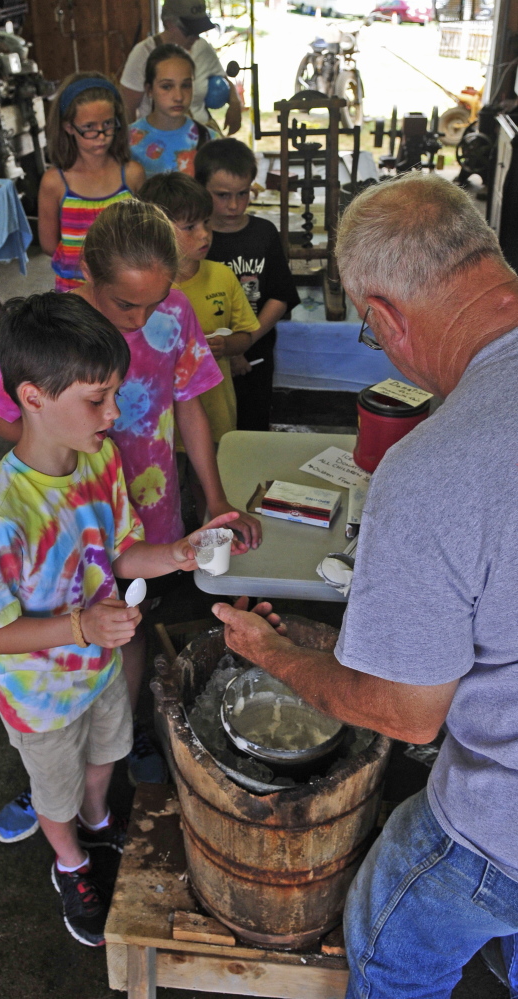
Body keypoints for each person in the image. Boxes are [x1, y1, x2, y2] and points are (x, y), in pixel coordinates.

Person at [211, 173, 518, 997]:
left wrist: (273, 653)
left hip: (505, 827)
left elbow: (402, 710)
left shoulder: (436, 468)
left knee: (390, 933)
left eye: (376, 341)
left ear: (382, 317)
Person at [0, 292, 242, 947]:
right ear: (32, 397)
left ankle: (98, 819)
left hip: (100, 667)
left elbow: (120, 550)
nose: (114, 414)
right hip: (41, 696)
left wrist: (175, 552)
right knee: (53, 793)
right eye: (97, 399)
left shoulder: (99, 460)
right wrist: (82, 627)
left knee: (106, 758)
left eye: (115, 394)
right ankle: (71, 859)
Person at [0, 199, 261, 843]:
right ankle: (51, 774)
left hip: (144, 511)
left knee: (128, 624)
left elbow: (191, 405)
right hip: (65, 520)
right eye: (124, 307)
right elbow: (0, 412)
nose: (140, 320)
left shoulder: (176, 313)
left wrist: (213, 501)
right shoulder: (54, 327)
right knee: (54, 634)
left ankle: (117, 737)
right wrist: (46, 463)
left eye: (153, 304)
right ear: (86, 280)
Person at [140, 172, 260, 458]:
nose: (204, 234)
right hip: (158, 419)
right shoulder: (142, 288)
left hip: (215, 411)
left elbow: (245, 334)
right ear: (156, 229)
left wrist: (227, 347)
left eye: (207, 222)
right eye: (190, 226)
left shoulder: (223, 276)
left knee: (208, 483)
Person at [195, 138, 300, 431]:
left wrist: (244, 344)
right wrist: (229, 351)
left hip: (257, 353)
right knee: (212, 428)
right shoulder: (196, 240)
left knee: (254, 425)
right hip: (206, 357)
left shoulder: (264, 233)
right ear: (201, 189)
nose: (233, 204)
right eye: (222, 195)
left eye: (242, 194)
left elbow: (279, 296)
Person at [38, 71, 145, 292]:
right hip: (73, 296)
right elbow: (49, 245)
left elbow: (145, 236)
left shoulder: (133, 175)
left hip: (125, 292)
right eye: (88, 127)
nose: (101, 135)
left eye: (107, 124)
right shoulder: (54, 183)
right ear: (68, 127)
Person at [119, 0, 241, 134]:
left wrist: (235, 102)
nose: (196, 37)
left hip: (200, 133)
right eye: (191, 31)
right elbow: (127, 108)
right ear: (169, 24)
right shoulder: (143, 53)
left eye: (198, 31)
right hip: (159, 138)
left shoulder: (202, 47)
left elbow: (223, 78)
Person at [129, 44, 215, 178]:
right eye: (167, 87)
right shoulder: (127, 141)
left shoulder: (210, 141)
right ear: (149, 89)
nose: (179, 97)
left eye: (186, 85)